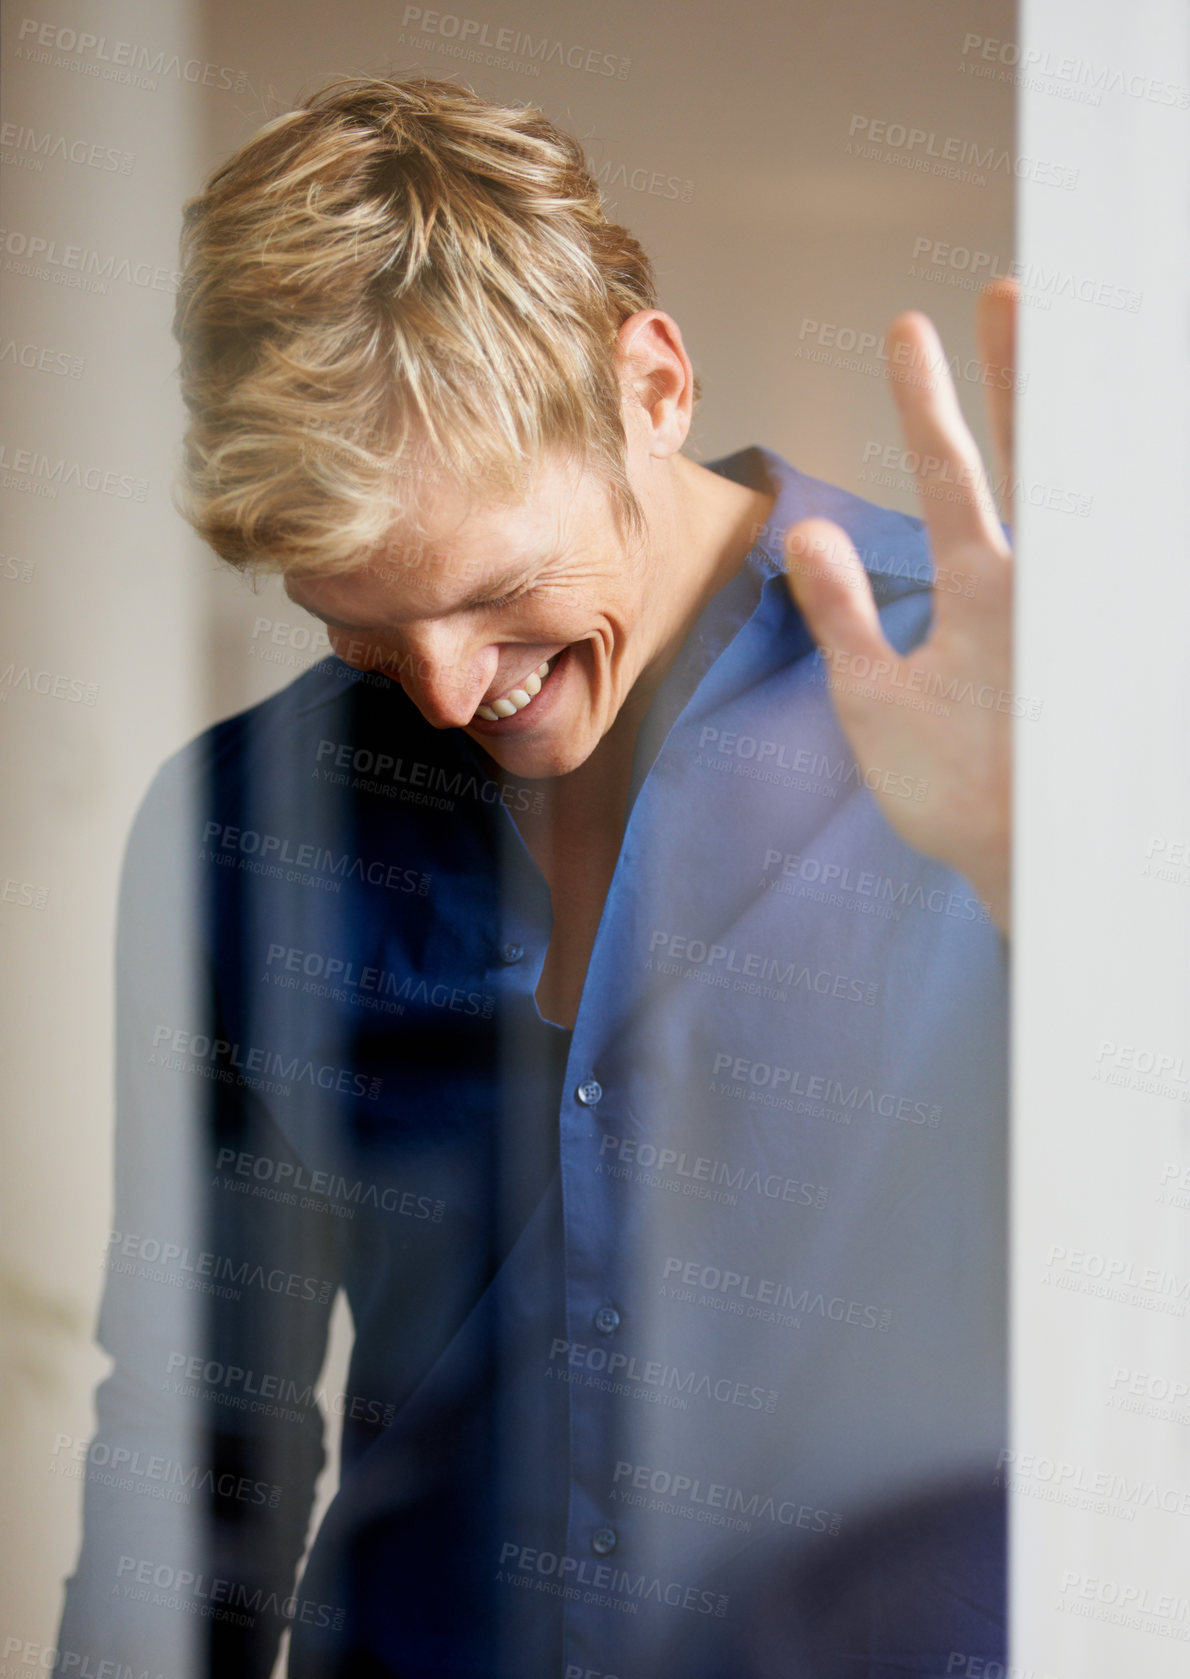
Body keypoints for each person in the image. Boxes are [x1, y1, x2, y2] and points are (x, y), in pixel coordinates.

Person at [57, 74, 1015, 1679]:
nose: (441, 693)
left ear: (648, 383)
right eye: (359, 625)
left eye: (494, 591)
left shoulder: (991, 712)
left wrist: (1052, 873)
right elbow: (191, 1442)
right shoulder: (241, 822)